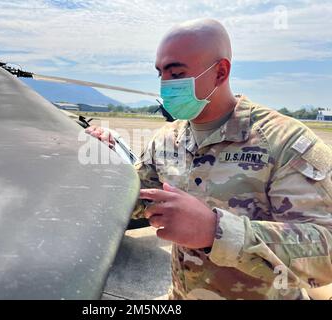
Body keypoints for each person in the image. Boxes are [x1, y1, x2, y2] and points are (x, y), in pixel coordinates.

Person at [86, 18, 332, 300]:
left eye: (176, 74)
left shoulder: (285, 142)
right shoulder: (167, 139)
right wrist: (107, 164)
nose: (165, 85)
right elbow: (138, 201)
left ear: (220, 72)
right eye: (161, 74)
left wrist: (215, 231)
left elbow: (327, 252)